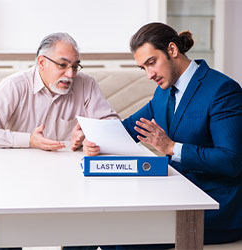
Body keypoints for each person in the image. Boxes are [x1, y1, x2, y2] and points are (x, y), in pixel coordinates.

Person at [76, 22, 242, 249]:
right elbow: (126, 129)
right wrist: (93, 138)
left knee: (119, 237)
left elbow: (232, 161)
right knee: (91, 226)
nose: (149, 74)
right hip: (173, 194)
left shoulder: (222, 90)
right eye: (143, 68)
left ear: (172, 50)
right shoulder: (163, 92)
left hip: (212, 206)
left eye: (151, 63)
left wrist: (172, 148)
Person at [0, 32, 119, 153]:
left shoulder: (86, 84)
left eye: (74, 66)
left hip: (69, 169)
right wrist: (29, 140)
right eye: (62, 65)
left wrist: (89, 136)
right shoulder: (14, 85)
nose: (70, 74)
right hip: (20, 167)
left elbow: (113, 125)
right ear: (41, 62)